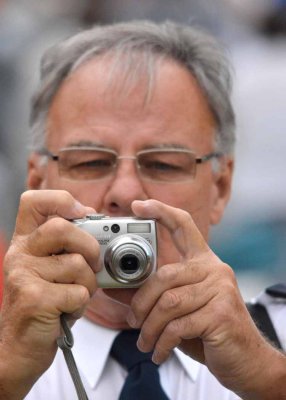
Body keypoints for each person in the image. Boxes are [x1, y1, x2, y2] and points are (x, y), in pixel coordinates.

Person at [0, 20, 285, 400]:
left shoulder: (274, 341)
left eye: (164, 164)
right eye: (89, 162)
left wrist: (265, 376)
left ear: (220, 188)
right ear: (36, 183)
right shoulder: (9, 357)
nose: (125, 191)